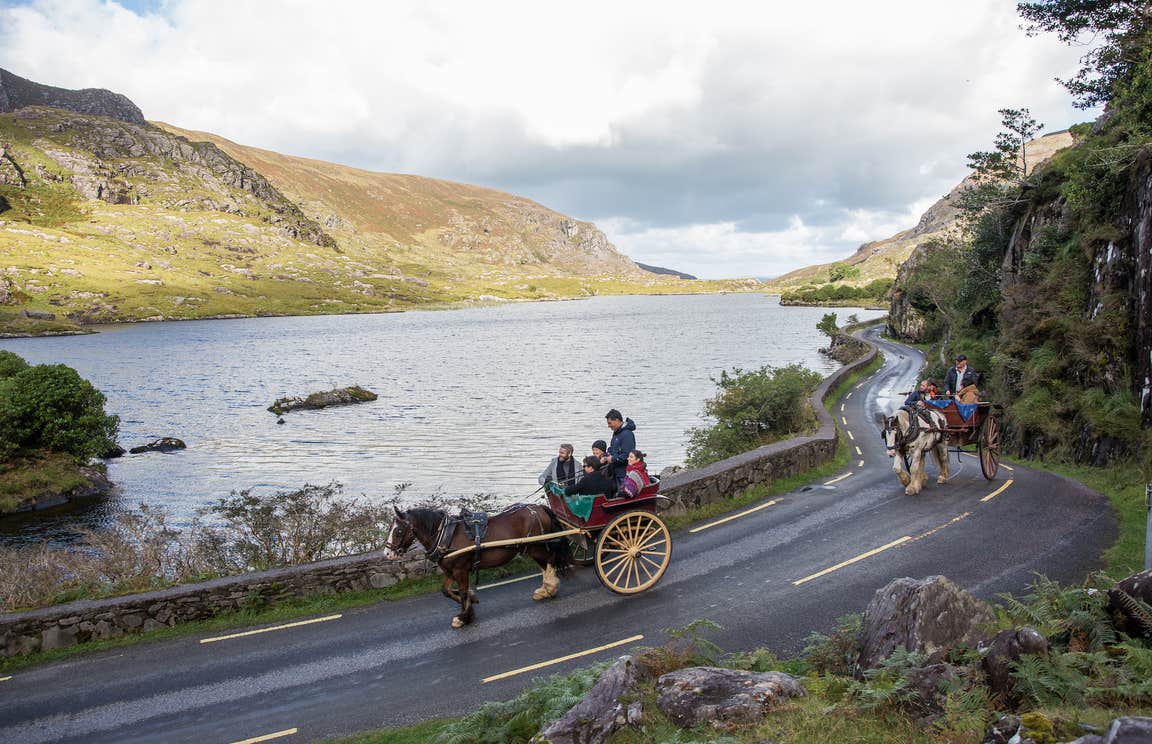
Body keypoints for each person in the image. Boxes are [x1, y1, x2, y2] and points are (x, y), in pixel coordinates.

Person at [602, 409, 636, 491]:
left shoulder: (627, 434)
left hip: (624, 473)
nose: (608, 426)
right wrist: (606, 455)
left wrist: (612, 459)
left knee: (624, 494)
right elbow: (613, 448)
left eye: (610, 423)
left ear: (617, 420)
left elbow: (627, 455)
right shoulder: (617, 433)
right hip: (616, 472)